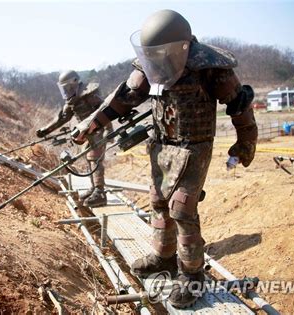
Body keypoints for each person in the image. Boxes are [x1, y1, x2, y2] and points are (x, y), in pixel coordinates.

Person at [72, 10, 257, 308]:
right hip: (161, 144)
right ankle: (164, 257)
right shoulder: (150, 65)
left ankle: (192, 274)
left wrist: (245, 142)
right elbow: (125, 97)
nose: (159, 59)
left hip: (194, 146)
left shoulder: (210, 66)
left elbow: (239, 104)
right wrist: (91, 123)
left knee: (182, 208)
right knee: (158, 201)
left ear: (182, 46)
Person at [36, 70, 112, 207]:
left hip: (99, 129)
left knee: (95, 159)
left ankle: (100, 193)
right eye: (64, 88)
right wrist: (46, 130)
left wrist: (108, 131)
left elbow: (106, 110)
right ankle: (94, 188)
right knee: (89, 159)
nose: (66, 91)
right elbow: (62, 118)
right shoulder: (72, 101)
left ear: (75, 84)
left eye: (69, 87)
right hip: (87, 131)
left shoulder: (89, 95)